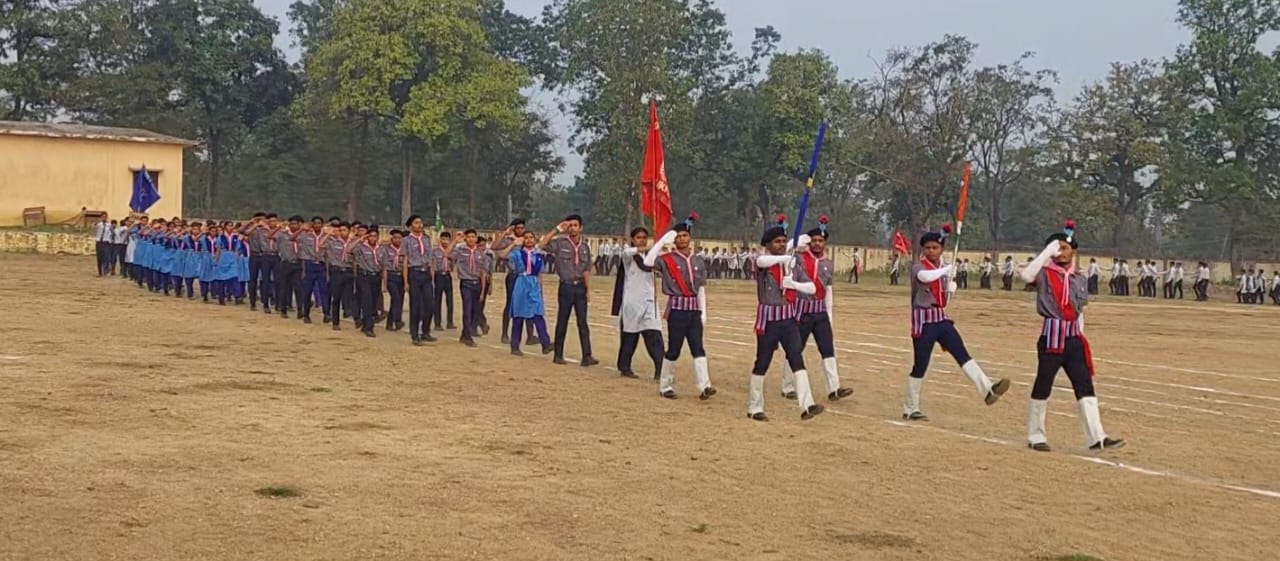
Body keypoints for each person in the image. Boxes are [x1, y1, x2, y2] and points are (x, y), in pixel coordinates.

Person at [1019, 220, 1125, 452]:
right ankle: (1035, 435)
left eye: (1065, 249)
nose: (1062, 253)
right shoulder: (1045, 273)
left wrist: (1081, 337)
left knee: (1084, 386)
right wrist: (1048, 251)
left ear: (1073, 252)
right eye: (1057, 249)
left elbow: (1079, 312)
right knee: (1044, 384)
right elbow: (1026, 276)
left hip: (1073, 339)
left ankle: (1096, 436)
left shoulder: (1079, 278)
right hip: (1051, 338)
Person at [903, 225, 1011, 421]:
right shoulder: (919, 267)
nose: (931, 251)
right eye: (927, 248)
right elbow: (925, 277)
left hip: (941, 319)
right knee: (920, 365)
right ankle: (911, 408)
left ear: (941, 249)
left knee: (962, 354)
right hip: (924, 323)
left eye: (935, 247)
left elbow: (942, 295)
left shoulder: (942, 268)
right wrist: (946, 270)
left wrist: (950, 287)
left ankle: (987, 389)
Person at [746, 215, 823, 421]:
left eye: (783, 241)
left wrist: (794, 285)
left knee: (796, 357)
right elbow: (762, 260)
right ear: (768, 244)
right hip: (769, 320)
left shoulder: (792, 264)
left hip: (788, 319)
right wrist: (786, 257)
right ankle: (754, 407)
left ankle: (806, 405)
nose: (780, 245)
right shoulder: (765, 263)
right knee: (762, 361)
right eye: (776, 242)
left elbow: (812, 287)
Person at [780, 216, 854, 403]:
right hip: (802, 311)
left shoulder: (828, 264)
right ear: (809, 242)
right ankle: (787, 386)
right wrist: (799, 242)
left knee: (828, 349)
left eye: (821, 241)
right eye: (814, 241)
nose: (817, 244)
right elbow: (787, 250)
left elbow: (828, 291)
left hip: (820, 312)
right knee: (795, 349)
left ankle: (834, 388)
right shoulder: (798, 259)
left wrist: (829, 315)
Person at [644, 214, 716, 399]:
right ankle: (665, 386)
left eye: (685, 235)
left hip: (693, 311)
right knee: (674, 349)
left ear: (689, 237)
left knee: (698, 348)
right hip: (677, 310)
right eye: (678, 236)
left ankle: (704, 386)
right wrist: (661, 242)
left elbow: (700, 288)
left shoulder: (698, 260)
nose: (682, 239)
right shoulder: (667, 259)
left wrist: (703, 312)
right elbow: (648, 262)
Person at [540, 214, 598, 367]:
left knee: (582, 322)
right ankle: (558, 355)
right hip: (565, 286)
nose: (572, 228)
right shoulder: (560, 243)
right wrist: (557, 229)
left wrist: (587, 289)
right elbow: (542, 244)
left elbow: (586, 269)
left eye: (575, 225)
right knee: (562, 320)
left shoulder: (585, 247)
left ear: (581, 227)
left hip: (580, 287)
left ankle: (587, 356)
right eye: (570, 225)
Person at [612, 226, 664, 380]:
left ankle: (660, 368)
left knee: (654, 335)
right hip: (632, 303)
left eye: (644, 237)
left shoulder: (650, 257)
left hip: (649, 302)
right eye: (638, 237)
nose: (641, 240)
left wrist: (654, 250)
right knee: (630, 336)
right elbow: (627, 252)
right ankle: (624, 366)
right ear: (632, 240)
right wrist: (645, 248)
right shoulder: (629, 256)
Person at [497, 231, 554, 356]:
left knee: (538, 314)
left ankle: (545, 343)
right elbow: (502, 255)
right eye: (526, 238)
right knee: (519, 315)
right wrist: (513, 244)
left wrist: (540, 290)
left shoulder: (538, 254)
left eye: (531, 238)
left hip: (533, 284)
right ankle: (515, 345)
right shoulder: (517, 253)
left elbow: (539, 274)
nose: (528, 240)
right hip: (521, 282)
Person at [492, 220, 537, 345]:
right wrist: (506, 233)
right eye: (518, 228)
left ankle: (530, 335)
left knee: (529, 304)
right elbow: (494, 247)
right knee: (510, 304)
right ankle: (505, 334)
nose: (520, 230)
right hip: (514, 276)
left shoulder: (527, 241)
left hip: (527, 277)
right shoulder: (509, 241)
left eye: (522, 228)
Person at [402, 215, 437, 345]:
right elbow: (405, 261)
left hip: (426, 273)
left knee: (430, 304)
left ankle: (426, 331)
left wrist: (432, 276)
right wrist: (406, 281)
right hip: (414, 273)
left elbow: (431, 259)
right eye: (416, 223)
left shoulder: (427, 239)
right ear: (411, 225)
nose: (420, 225)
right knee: (415, 305)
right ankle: (414, 334)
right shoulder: (406, 240)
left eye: (421, 222)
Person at [451, 229, 488, 347]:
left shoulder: (481, 254)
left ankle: (465, 333)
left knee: (474, 311)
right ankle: (467, 336)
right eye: (469, 236)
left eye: (473, 236)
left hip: (477, 284)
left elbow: (483, 273)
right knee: (467, 310)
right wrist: (455, 241)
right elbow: (447, 254)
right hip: (466, 283)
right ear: (465, 238)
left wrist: (483, 291)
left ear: (476, 239)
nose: (471, 239)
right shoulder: (460, 251)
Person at [324, 222, 357, 331]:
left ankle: (355, 317)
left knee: (350, 296)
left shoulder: (353, 243)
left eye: (344, 230)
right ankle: (335, 322)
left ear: (349, 231)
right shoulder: (333, 243)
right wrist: (328, 234)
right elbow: (319, 245)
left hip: (348, 271)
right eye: (340, 230)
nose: (342, 232)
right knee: (336, 298)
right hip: (337, 271)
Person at [350, 225, 381, 337]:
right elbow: (349, 249)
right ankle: (369, 327)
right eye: (371, 236)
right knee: (367, 301)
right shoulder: (361, 248)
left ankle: (365, 323)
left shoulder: (380, 248)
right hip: (364, 276)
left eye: (375, 236)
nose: (373, 238)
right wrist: (360, 239)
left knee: (373, 302)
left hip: (376, 276)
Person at [298, 217, 327, 324]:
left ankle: (326, 313)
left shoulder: (326, 237)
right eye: (315, 223)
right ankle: (306, 314)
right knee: (307, 291)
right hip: (309, 264)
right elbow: (292, 238)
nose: (317, 225)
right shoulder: (306, 236)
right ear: (312, 225)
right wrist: (302, 229)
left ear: (322, 225)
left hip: (321, 265)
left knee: (324, 290)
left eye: (319, 223)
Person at [380, 229, 407, 332]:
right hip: (391, 276)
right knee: (396, 298)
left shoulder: (404, 250)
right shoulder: (386, 250)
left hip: (401, 276)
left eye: (399, 238)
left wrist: (406, 281)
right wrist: (385, 284)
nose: (397, 240)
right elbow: (385, 268)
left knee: (398, 300)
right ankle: (397, 321)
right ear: (391, 238)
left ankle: (389, 323)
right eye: (395, 238)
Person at [432, 231, 456, 331]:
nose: (445, 241)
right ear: (440, 240)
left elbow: (453, 265)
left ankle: (450, 322)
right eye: (443, 239)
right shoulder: (435, 251)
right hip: (438, 275)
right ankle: (437, 323)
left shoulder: (451, 252)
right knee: (437, 300)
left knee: (450, 300)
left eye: (447, 239)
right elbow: (432, 266)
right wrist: (432, 280)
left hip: (447, 275)